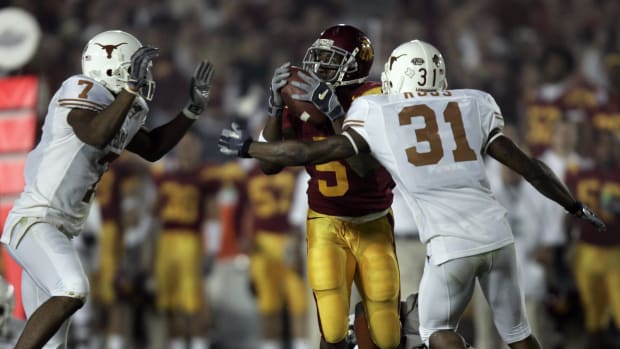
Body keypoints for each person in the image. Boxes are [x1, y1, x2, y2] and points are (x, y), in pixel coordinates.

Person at [219, 39, 606, 349]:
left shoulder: (378, 110)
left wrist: (247, 147)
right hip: (498, 235)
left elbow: (314, 154)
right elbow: (531, 167)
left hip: (447, 244)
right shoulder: (473, 102)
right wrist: (574, 204)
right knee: (518, 334)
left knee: (433, 330)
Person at [0, 29, 214, 349]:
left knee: (53, 344)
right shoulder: (83, 87)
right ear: (112, 67)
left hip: (60, 229)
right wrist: (129, 90)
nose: (145, 76)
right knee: (72, 289)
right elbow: (94, 134)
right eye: (136, 68)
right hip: (35, 220)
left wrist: (192, 111)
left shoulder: (126, 107)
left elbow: (153, 147)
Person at [258, 24, 401, 349]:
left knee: (387, 333)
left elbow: (363, 166)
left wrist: (335, 113)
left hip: (372, 220)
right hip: (325, 220)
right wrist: (275, 109)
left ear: (356, 65)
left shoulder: (373, 97)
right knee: (333, 330)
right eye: (318, 56)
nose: (318, 66)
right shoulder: (302, 98)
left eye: (330, 58)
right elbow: (270, 165)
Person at [152, 131, 219, 349]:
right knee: (171, 303)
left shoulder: (203, 177)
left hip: (191, 241)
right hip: (166, 243)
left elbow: (211, 214)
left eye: (191, 145)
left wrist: (211, 249)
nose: (187, 149)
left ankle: (199, 343)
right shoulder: (165, 176)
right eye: (184, 145)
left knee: (195, 303)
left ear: (199, 149)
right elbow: (153, 210)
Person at [239, 162, 308, 349]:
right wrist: (245, 237)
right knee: (268, 304)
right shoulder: (250, 173)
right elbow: (242, 209)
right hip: (262, 242)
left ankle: (300, 344)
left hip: (289, 239)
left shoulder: (295, 168)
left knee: (299, 303)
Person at [565, 130, 620, 349]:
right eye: (602, 145)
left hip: (616, 251)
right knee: (592, 313)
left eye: (611, 145)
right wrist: (565, 241)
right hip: (586, 251)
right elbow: (568, 210)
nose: (606, 150)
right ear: (595, 148)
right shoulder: (579, 174)